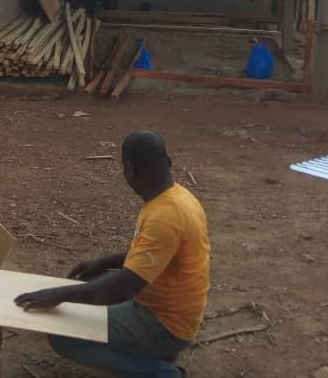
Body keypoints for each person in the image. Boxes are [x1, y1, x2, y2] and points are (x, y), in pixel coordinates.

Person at [14, 130, 210, 377]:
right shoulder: (179, 198)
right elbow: (152, 253)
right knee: (94, 280)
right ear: (168, 162)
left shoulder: (165, 217)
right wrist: (102, 262)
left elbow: (123, 288)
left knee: (63, 336)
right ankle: (154, 353)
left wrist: (59, 295)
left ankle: (161, 372)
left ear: (130, 169)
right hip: (175, 313)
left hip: (164, 325)